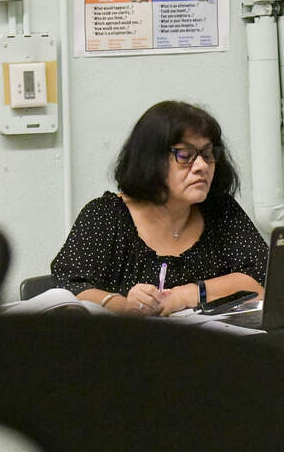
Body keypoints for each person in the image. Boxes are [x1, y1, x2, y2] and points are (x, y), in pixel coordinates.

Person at [51, 101, 268, 316]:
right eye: (185, 155)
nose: (202, 166)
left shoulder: (221, 211)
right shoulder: (105, 215)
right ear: (150, 160)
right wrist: (123, 305)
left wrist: (187, 295)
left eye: (208, 154)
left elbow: (262, 278)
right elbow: (70, 287)